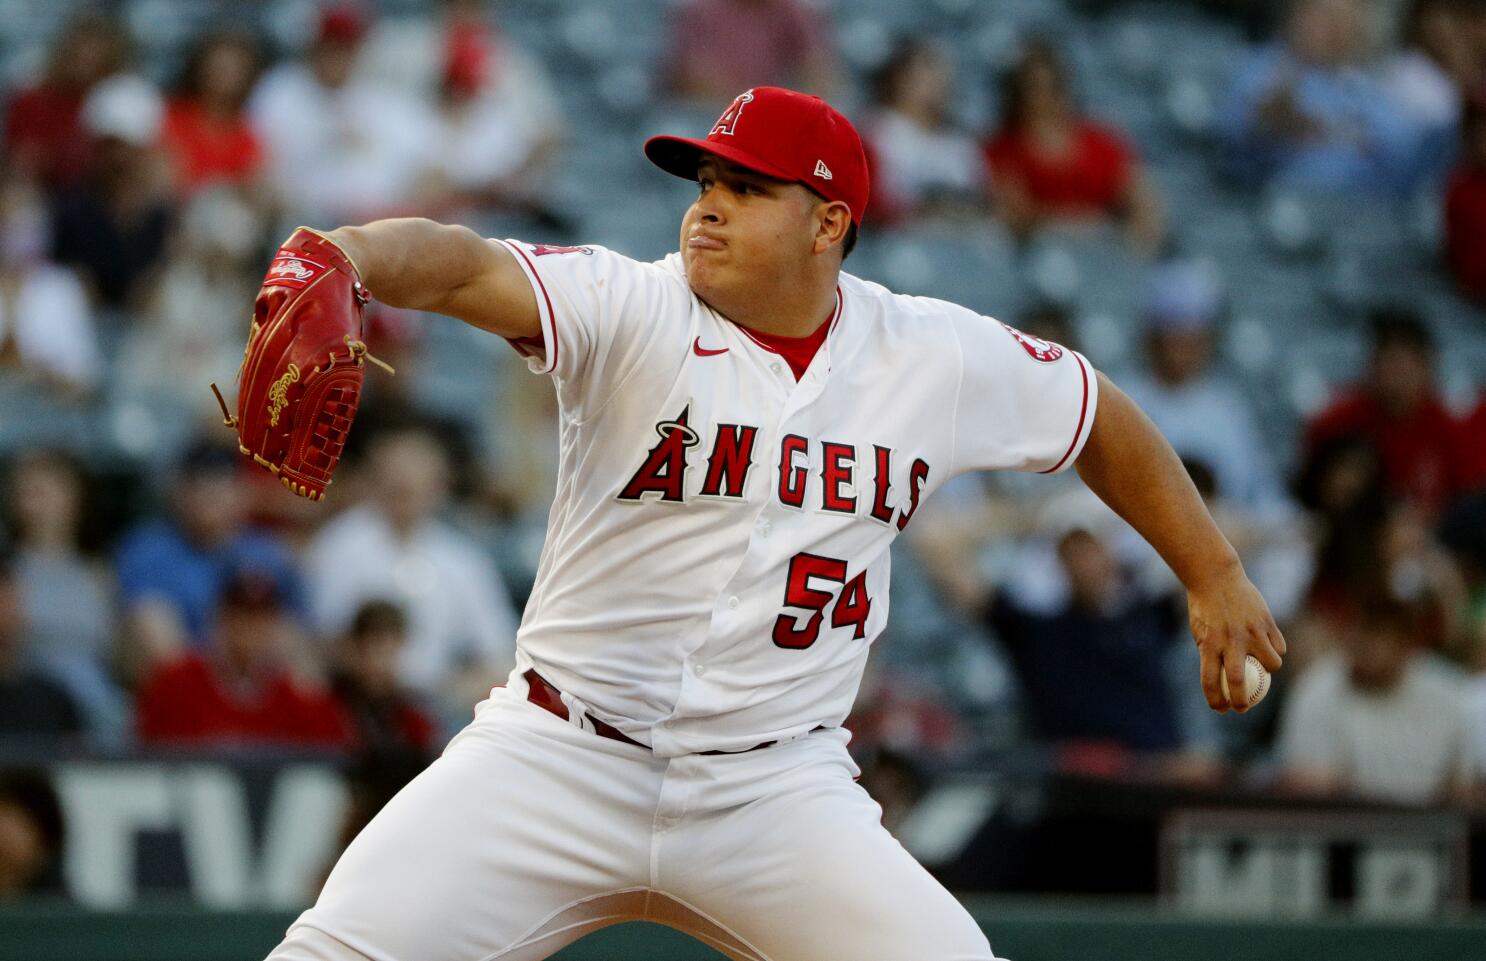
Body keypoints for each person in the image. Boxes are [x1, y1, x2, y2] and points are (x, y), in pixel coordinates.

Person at [262, 86, 1284, 961]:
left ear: (827, 223)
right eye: (704, 186)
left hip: (774, 789)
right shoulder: (632, 307)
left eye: (745, 190)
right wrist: (348, 254)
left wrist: (1213, 571)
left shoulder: (928, 354)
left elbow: (1096, 414)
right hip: (557, 755)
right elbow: (460, 264)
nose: (706, 211)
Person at [302, 425, 518, 716]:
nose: (406, 487)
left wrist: (452, 693)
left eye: (417, 481)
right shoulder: (338, 546)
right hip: (352, 703)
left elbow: (499, 654)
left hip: (436, 707)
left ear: (439, 485)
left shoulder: (463, 559)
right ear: (375, 479)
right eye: (396, 480)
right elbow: (317, 639)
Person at [135, 563, 352, 751]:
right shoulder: (176, 682)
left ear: (276, 623)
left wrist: (313, 690)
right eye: (242, 615)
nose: (251, 628)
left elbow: (337, 754)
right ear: (221, 616)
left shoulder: (299, 695)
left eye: (262, 617)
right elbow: (145, 754)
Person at [983, 40, 1165, 255]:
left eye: (1053, 87)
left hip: (1107, 254)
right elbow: (1016, 215)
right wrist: (1084, 223)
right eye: (1033, 89)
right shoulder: (1001, 148)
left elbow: (1139, 197)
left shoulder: (1101, 140)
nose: (1045, 98)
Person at [1217, 0, 1418, 193]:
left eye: (1342, 21)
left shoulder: (1363, 89)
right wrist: (1268, 122)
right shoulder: (1261, 69)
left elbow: (1401, 150)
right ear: (1295, 15)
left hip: (1349, 212)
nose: (1331, 30)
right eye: (1322, 15)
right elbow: (1230, 133)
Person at [1303, 307, 1476, 518]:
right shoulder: (1337, 422)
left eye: (1402, 363)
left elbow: (1468, 504)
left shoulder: (1451, 429)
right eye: (1385, 359)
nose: (1392, 374)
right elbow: (1307, 493)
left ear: (1427, 366)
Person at [861, 39, 985, 224]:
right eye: (923, 73)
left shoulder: (959, 143)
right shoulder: (876, 132)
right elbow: (869, 204)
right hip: (898, 238)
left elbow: (981, 200)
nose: (934, 83)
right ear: (898, 76)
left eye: (939, 75)